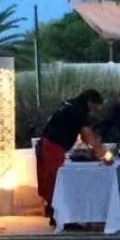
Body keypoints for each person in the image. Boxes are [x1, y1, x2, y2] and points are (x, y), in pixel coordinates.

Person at [36, 89, 103, 224]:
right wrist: (101, 153)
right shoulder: (78, 110)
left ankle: (58, 215)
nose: (95, 110)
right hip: (53, 146)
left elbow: (84, 135)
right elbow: (87, 134)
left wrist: (94, 147)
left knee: (53, 181)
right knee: (57, 182)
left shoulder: (70, 105)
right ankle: (59, 217)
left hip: (48, 144)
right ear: (90, 101)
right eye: (95, 106)